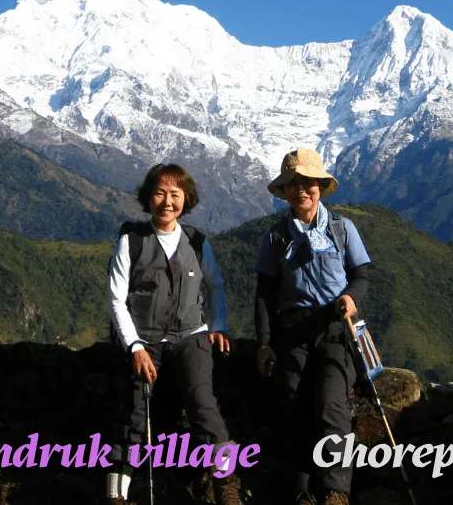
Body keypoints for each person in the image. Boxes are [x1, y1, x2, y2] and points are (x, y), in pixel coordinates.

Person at [105, 163, 243, 505]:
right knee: (135, 411)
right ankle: (116, 492)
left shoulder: (196, 242)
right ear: (148, 198)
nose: (167, 202)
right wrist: (134, 346)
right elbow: (115, 298)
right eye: (160, 193)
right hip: (144, 339)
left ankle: (227, 486)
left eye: (175, 195)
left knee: (202, 403)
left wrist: (219, 325)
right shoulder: (132, 241)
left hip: (190, 335)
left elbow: (216, 286)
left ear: (186, 199)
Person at [253, 149, 373, 505]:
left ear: (320, 187)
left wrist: (351, 297)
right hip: (291, 332)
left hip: (335, 327)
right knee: (294, 409)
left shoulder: (342, 229)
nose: (300, 191)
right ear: (284, 191)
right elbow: (264, 294)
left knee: (331, 407)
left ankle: (336, 491)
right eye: (293, 184)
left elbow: (361, 276)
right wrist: (264, 342)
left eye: (308, 184)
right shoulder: (275, 238)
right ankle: (302, 491)